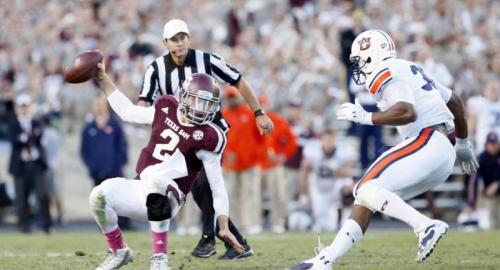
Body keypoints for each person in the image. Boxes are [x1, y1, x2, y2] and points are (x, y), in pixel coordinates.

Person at [287, 29, 479, 270]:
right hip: (441, 151)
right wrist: (462, 143)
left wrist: (367, 117)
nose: (357, 67)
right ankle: (325, 260)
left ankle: (425, 225)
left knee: (365, 187)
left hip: (426, 139)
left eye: (359, 60)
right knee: (367, 197)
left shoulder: (382, 71)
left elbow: (408, 111)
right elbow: (456, 103)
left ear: (371, 55)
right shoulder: (409, 67)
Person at [137, 18, 273, 258]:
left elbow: (238, 80)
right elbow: (145, 101)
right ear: (165, 42)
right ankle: (238, 244)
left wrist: (258, 112)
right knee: (201, 191)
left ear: (188, 38)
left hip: (212, 131)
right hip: (183, 136)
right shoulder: (156, 68)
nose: (180, 44)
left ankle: (208, 239)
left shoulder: (206, 60)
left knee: (203, 184)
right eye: (174, 39)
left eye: (183, 38)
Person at [90, 65, 243, 270]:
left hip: (171, 197)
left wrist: (223, 225)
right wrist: (102, 78)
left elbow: (217, 187)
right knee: (99, 195)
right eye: (196, 100)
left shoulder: (210, 137)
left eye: (206, 104)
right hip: (141, 187)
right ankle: (119, 251)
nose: (199, 108)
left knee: (157, 180)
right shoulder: (165, 108)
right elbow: (127, 112)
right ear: (184, 96)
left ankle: (160, 259)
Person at [81, 96, 131, 229]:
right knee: (100, 201)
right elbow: (84, 151)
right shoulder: (88, 128)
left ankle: (124, 224)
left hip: (115, 171)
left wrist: (116, 165)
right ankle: (104, 226)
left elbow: (122, 147)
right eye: (96, 104)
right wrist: (93, 168)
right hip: (97, 173)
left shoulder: (115, 125)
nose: (98, 106)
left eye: (101, 104)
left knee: (120, 199)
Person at [8, 94, 51, 233]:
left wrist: (25, 138)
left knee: (42, 194)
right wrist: (28, 137)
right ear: (17, 108)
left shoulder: (36, 122)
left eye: (26, 106)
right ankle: (24, 226)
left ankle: (46, 224)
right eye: (22, 106)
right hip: (21, 164)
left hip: (36, 163)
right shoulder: (13, 123)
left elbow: (38, 139)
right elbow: (16, 142)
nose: (24, 109)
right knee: (22, 197)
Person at [298, 129, 355, 232]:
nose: (329, 142)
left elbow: (349, 172)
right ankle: (326, 224)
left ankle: (346, 221)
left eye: (331, 140)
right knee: (325, 224)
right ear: (321, 140)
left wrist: (337, 169)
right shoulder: (312, 150)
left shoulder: (343, 150)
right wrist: (303, 194)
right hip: (319, 185)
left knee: (348, 184)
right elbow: (304, 170)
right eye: (326, 140)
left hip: (336, 183)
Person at [477, 132, 500, 229]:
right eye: (491, 144)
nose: (493, 147)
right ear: (486, 145)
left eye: (495, 144)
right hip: (490, 194)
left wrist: (497, 184)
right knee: (493, 219)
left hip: (496, 188)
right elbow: (477, 178)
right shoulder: (482, 158)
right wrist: (481, 192)